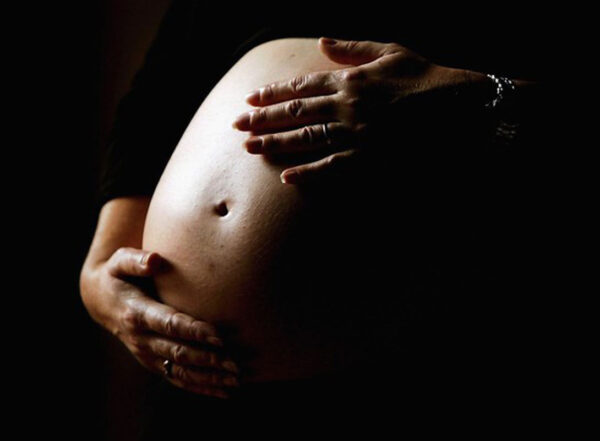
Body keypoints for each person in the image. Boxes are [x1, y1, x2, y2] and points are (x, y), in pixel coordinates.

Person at [80, 0, 556, 433]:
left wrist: (478, 98)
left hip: (416, 372)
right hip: (196, 384)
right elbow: (155, 107)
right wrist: (98, 274)